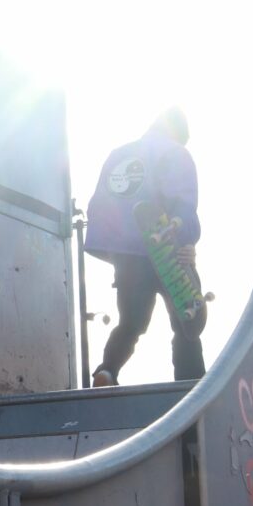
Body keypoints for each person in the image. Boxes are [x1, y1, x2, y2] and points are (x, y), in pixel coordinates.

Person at [84, 106, 204, 385]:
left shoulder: (119, 155)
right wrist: (186, 237)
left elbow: (101, 208)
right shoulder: (175, 153)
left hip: (125, 256)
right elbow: (184, 203)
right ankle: (191, 387)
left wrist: (114, 253)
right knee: (185, 324)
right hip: (166, 252)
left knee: (131, 323)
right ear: (180, 133)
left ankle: (107, 371)